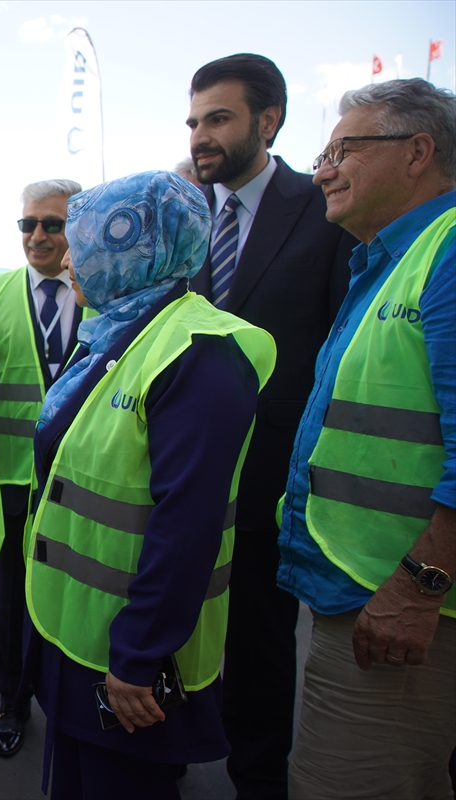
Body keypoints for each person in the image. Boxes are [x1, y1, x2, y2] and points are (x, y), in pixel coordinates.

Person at [24, 171, 274, 799]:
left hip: (130, 659)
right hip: (79, 634)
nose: (70, 259)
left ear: (135, 249)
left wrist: (138, 652)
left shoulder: (200, 351)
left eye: (83, 242)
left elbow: (186, 522)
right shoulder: (118, 328)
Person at [278, 78, 456, 800]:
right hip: (366, 592)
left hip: (403, 605)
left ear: (418, 152)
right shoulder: (388, 261)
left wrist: (420, 586)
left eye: (344, 148)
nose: (323, 169)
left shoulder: (444, 253)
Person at [184, 53, 356, 800]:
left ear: (269, 120)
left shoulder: (322, 212)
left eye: (217, 118)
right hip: (182, 486)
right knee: (181, 639)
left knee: (258, 655)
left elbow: (336, 356)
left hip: (269, 491)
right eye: (193, 122)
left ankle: (258, 784)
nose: (200, 137)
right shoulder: (185, 214)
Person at [0, 178, 86, 758]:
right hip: (12, 476)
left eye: (53, 223)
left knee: (77, 595)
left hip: (81, 482)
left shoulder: (103, 291)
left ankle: (70, 705)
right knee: (16, 598)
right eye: (28, 224)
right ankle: (12, 701)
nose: (38, 235)